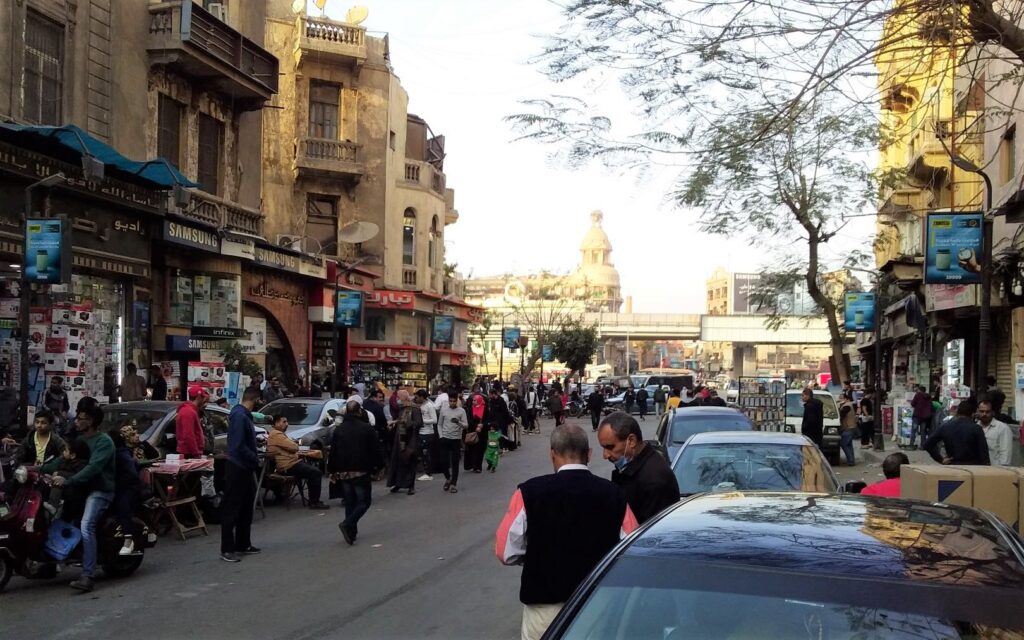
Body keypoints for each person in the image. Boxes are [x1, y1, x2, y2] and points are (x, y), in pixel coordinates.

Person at [496, 423, 639, 640]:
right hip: (596, 606)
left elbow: (506, 551)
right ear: (588, 454)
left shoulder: (528, 492)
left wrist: (536, 555)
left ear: (552, 453)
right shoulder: (614, 494)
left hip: (544, 611)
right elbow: (631, 549)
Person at [42, 405, 115, 593]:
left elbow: (93, 468)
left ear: (90, 421)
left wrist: (69, 480)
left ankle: (88, 575)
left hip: (99, 490)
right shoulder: (79, 440)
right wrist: (35, 469)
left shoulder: (104, 442)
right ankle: (50, 563)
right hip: (79, 490)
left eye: (80, 418)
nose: (76, 421)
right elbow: (62, 461)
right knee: (56, 519)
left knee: (86, 525)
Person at [597, 411, 679, 524]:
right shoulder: (635, 468)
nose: (605, 455)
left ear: (631, 441)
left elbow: (649, 531)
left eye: (610, 447)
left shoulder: (654, 479)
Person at [329, 400, 384, 544]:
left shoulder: (339, 429)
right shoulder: (366, 429)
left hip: (343, 470)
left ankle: (351, 532)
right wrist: (379, 466)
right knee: (364, 502)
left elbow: (333, 451)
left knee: (350, 501)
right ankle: (348, 524)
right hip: (361, 470)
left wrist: (332, 470)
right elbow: (376, 449)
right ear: (360, 411)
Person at [220, 387, 261, 563]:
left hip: (244, 467)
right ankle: (227, 548)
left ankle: (243, 543)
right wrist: (254, 457)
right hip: (237, 466)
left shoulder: (243, 416)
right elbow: (238, 446)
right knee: (232, 509)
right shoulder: (239, 416)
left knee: (246, 507)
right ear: (256, 399)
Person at [266, 415, 330, 509]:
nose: (286, 424)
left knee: (312, 469)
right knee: (315, 473)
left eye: (287, 421)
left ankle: (314, 500)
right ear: (276, 423)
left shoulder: (278, 434)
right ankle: (314, 502)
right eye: (283, 422)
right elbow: (294, 447)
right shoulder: (276, 434)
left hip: (292, 462)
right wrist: (294, 446)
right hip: (288, 465)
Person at [923, 401, 990, 465]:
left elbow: (927, 444)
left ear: (957, 412)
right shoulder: (976, 429)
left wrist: (940, 459)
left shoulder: (946, 427)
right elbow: (983, 452)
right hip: (974, 467)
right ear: (972, 414)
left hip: (953, 465)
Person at [110, 430, 143, 555]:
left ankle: (128, 538)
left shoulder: (121, 454)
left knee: (121, 505)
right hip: (115, 485)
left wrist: (117, 484)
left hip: (128, 488)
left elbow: (132, 475)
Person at [387, 390, 421, 495]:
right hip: (400, 439)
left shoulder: (414, 408)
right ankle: (398, 483)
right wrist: (395, 422)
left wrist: (408, 423)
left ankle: (411, 486)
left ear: (404, 398)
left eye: (398, 397)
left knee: (410, 462)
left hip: (410, 439)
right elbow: (401, 419)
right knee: (398, 462)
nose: (397, 399)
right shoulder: (402, 408)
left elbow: (419, 422)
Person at [438, 395, 467, 492]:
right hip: (445, 438)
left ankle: (453, 484)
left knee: (455, 462)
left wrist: (458, 422)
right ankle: (448, 478)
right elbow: (439, 424)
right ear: (448, 401)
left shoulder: (461, 411)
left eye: (454, 401)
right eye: (451, 401)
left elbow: (466, 426)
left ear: (457, 401)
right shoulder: (444, 410)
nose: (452, 403)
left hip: (456, 439)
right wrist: (441, 435)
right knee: (443, 461)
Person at [176, 386, 209, 459]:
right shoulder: (189, 412)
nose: (204, 400)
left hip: (190, 452)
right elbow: (188, 435)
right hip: (189, 454)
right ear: (198, 397)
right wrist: (196, 454)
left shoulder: (191, 411)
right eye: (203, 397)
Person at [977, 400, 1012, 466]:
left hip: (996, 471)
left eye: (987, 412)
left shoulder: (1002, 428)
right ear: (977, 411)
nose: (984, 414)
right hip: (978, 470)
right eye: (982, 411)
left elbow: (1005, 454)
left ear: (993, 412)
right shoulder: (975, 427)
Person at [415, 389, 438, 481]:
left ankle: (428, 473)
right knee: (422, 453)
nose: (416, 399)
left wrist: (422, 421)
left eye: (417, 397)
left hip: (427, 433)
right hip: (421, 432)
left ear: (421, 397)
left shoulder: (429, 406)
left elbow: (434, 420)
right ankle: (426, 471)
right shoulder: (422, 405)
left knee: (426, 453)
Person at [464, 388, 488, 473]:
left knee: (480, 450)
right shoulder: (470, 409)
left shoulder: (485, 409)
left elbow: (488, 419)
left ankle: (478, 467)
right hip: (473, 431)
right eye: (473, 400)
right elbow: (469, 419)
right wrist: (475, 426)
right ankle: (473, 465)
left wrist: (482, 425)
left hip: (482, 433)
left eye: (475, 400)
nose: (473, 402)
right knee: (472, 449)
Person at [910, 385, 933, 449]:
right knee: (923, 431)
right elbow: (931, 406)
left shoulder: (918, 395)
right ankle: (923, 446)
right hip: (925, 417)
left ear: (919, 390)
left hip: (917, 415)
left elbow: (913, 404)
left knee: (914, 430)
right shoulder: (929, 396)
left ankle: (911, 445)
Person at [838, 397, 857, 466]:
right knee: (849, 444)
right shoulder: (850, 405)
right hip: (851, 427)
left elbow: (843, 413)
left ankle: (851, 461)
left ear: (846, 399)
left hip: (847, 427)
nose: (840, 399)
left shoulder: (847, 405)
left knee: (844, 444)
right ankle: (851, 460)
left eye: (842, 398)